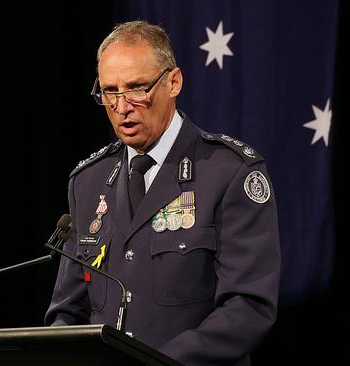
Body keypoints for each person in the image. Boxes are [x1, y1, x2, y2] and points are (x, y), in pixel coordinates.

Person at [45, 20, 280, 366]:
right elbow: (68, 310)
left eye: (137, 89)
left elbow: (248, 307)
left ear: (174, 82)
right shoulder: (88, 182)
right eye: (110, 92)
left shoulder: (228, 172)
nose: (122, 107)